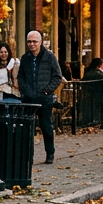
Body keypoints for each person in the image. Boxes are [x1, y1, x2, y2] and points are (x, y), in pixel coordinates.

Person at [19, 30, 64, 163]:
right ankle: (29, 156)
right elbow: (21, 77)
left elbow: (57, 76)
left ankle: (50, 153)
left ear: (40, 42)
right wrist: (26, 91)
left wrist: (47, 90)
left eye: (34, 41)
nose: (31, 44)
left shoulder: (49, 57)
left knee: (46, 127)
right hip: (29, 99)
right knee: (28, 129)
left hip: (44, 99)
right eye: (29, 41)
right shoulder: (25, 58)